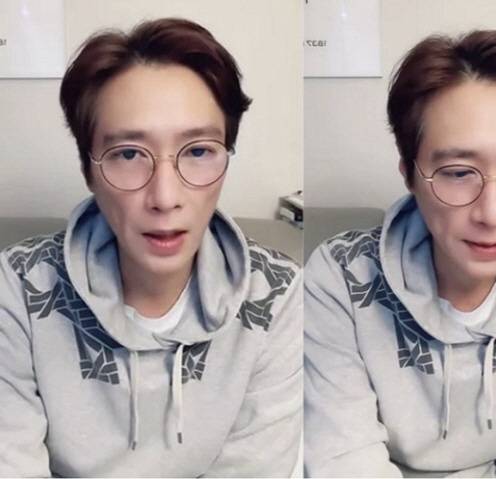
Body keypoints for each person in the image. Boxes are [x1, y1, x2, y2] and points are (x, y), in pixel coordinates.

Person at [0, 18, 301, 477]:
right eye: (127, 154)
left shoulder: (278, 298)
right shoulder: (18, 289)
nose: (164, 197)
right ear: (88, 171)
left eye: (198, 151)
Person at [304, 30, 496, 477]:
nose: (493, 213)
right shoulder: (340, 279)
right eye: (459, 173)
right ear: (409, 174)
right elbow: (343, 461)